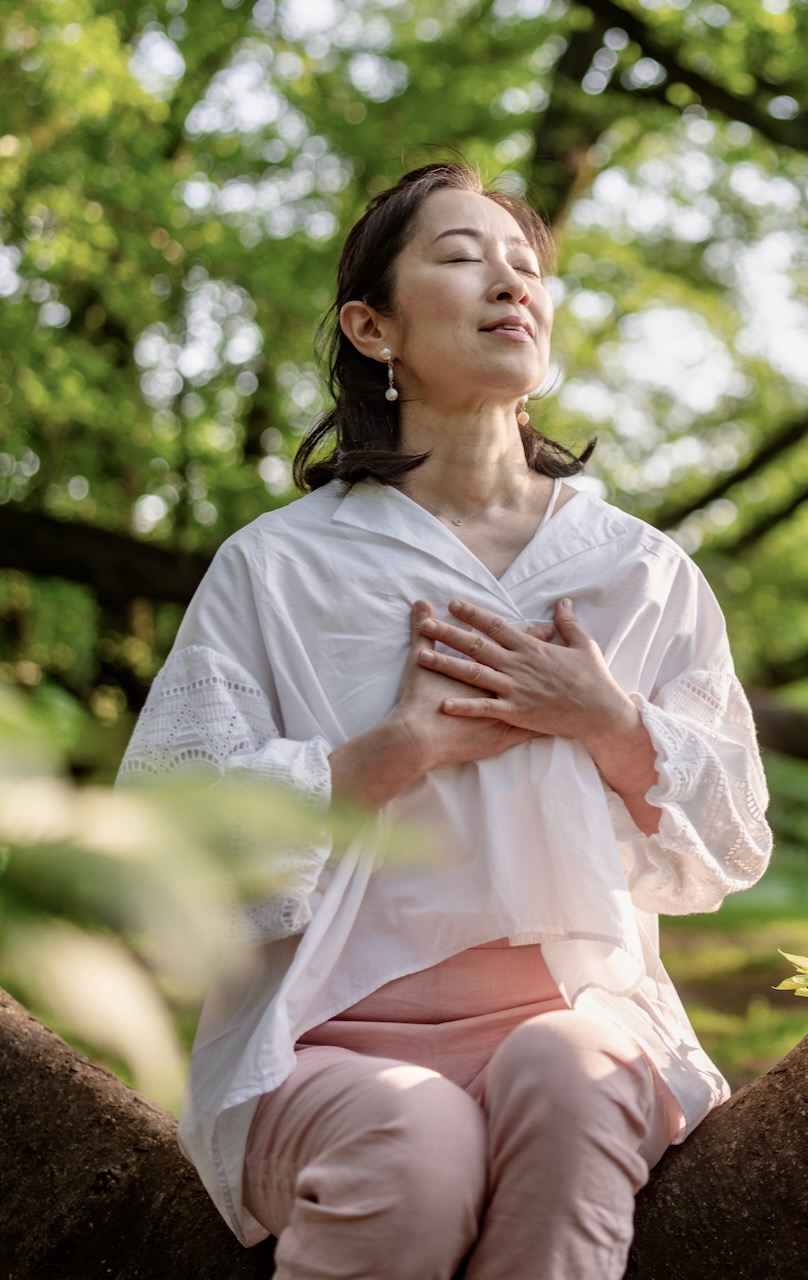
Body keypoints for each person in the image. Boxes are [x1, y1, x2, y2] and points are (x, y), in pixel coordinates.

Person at [119, 162, 772, 1279]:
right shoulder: (277, 565)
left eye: (526, 264)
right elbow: (162, 843)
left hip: (578, 1013)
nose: (511, 282)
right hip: (321, 1042)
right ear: (372, 327)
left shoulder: (637, 571)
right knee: (409, 1141)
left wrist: (608, 718)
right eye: (463, 256)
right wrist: (392, 751)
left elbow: (731, 839)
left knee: (571, 1080)